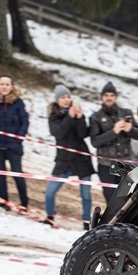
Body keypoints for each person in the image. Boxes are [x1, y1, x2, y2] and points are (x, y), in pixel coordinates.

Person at [42, 85, 96, 229]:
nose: (66, 100)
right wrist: (70, 117)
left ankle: (86, 221)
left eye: (68, 97)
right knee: (50, 192)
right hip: (64, 160)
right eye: (62, 97)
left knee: (85, 194)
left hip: (81, 160)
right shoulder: (54, 117)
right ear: (57, 100)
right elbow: (59, 133)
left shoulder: (77, 111)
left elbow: (83, 134)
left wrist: (79, 118)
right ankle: (49, 216)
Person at [0, 75, 30, 211]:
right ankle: (3, 201)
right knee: (0, 175)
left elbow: (24, 122)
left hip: (13, 146)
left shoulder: (18, 103)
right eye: (2, 84)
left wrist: (18, 139)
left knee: (17, 174)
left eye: (7, 84)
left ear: (12, 87)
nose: (4, 87)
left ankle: (24, 202)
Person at [89, 81, 138, 203]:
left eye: (112, 95)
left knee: (127, 199)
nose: (109, 98)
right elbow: (95, 142)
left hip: (125, 164)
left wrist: (130, 129)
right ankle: (112, 222)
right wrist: (114, 131)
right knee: (110, 199)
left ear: (115, 97)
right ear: (102, 97)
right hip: (105, 165)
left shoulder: (126, 113)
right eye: (106, 95)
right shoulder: (95, 117)